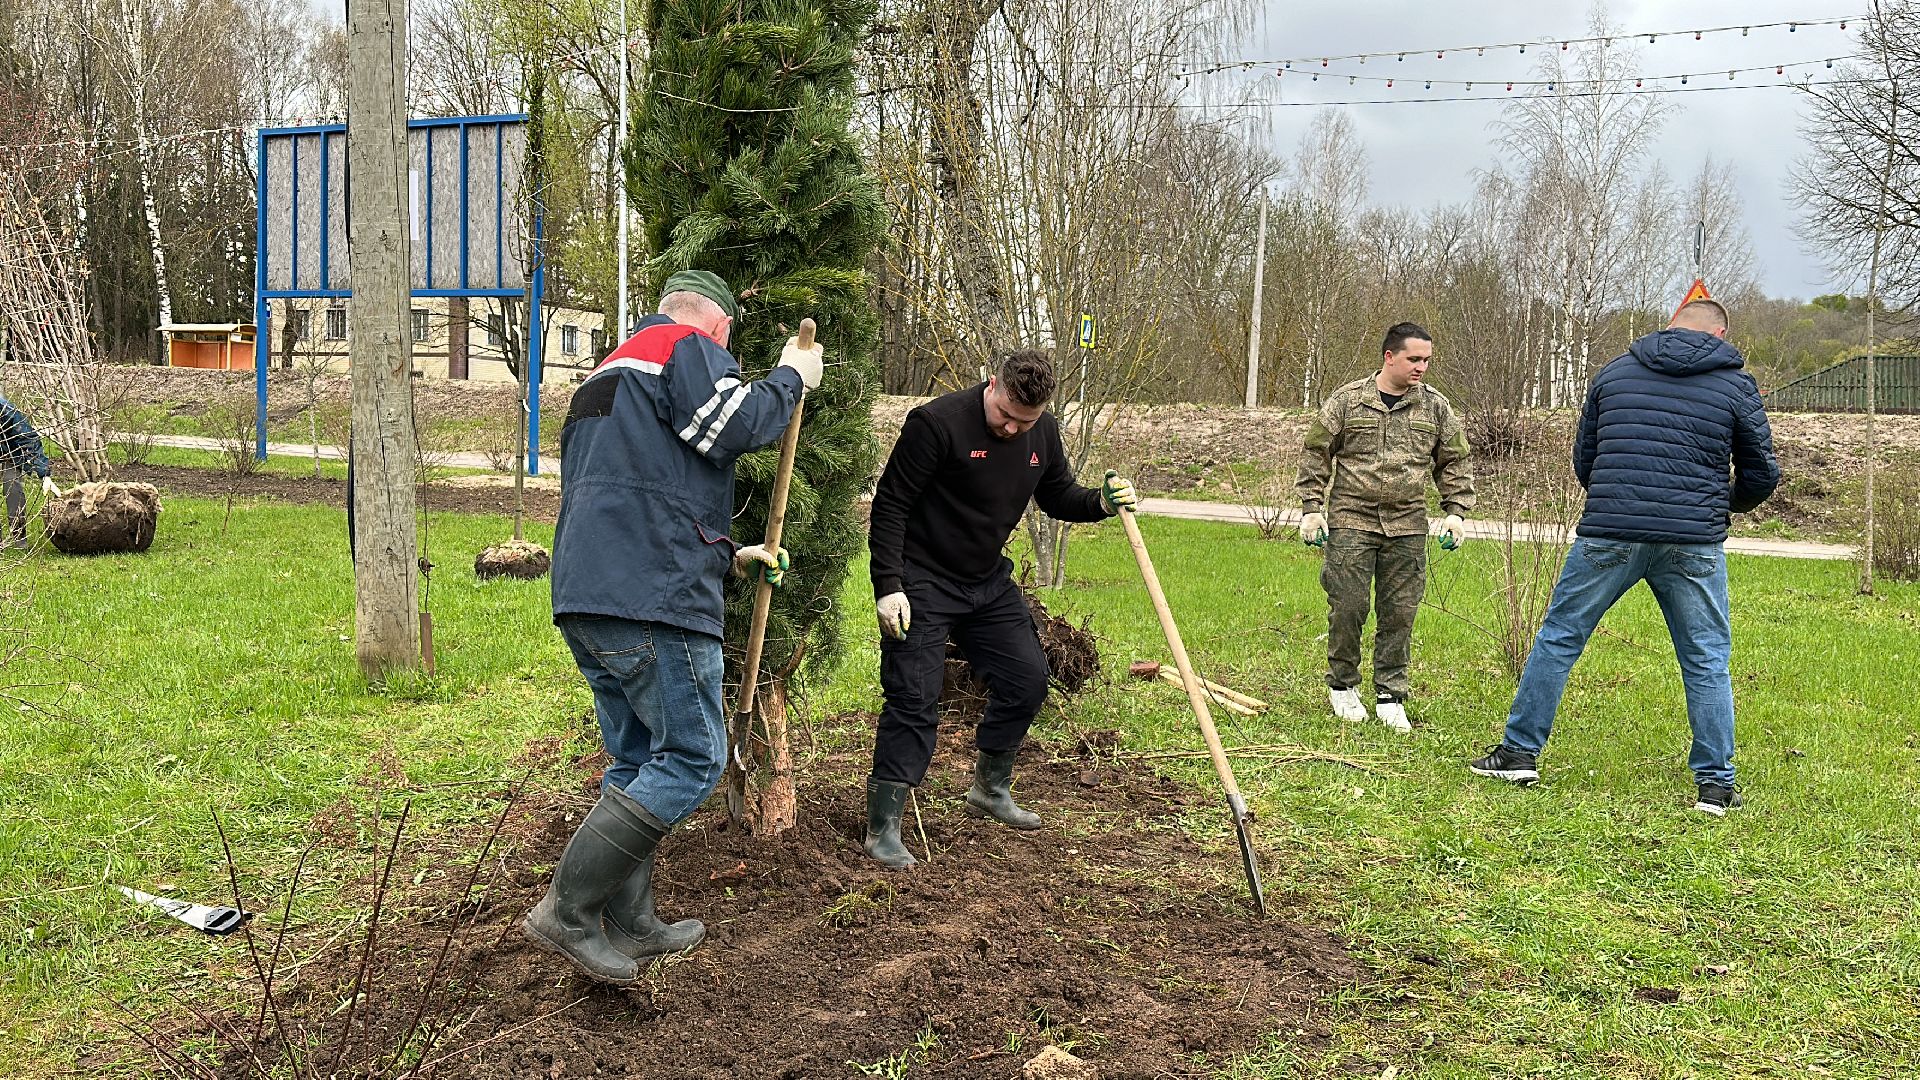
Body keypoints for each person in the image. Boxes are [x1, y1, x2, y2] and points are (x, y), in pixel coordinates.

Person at [523, 270, 823, 984]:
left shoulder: (606, 374)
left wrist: (728, 554)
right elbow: (736, 425)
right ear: (716, 325)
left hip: (589, 593)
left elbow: (635, 488)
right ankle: (566, 912)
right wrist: (789, 377)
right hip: (653, 600)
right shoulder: (684, 348)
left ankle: (630, 922)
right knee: (691, 756)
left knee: (634, 760)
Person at [1469, 299, 1778, 816]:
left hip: (1609, 531)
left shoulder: (1615, 371)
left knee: (1560, 638)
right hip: (1693, 542)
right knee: (1705, 659)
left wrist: (1616, 497)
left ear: (1670, 324)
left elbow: (1585, 458)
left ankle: (1519, 753)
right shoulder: (1734, 384)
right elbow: (1762, 474)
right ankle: (1716, 786)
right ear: (1720, 334)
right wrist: (1717, 507)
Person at [862, 349, 1137, 869]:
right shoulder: (936, 424)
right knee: (914, 695)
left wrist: (1100, 502)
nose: (1012, 428)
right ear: (992, 384)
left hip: (985, 582)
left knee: (1028, 679)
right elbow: (891, 502)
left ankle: (989, 787)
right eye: (1005, 414)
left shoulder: (1043, 432)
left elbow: (1057, 497)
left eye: (1024, 421)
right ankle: (885, 826)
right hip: (921, 580)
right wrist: (888, 585)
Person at [1295, 323, 1475, 733]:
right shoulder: (1347, 401)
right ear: (1389, 356)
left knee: (1400, 613)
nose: (1422, 367)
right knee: (1349, 606)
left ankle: (1391, 695)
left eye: (1427, 360)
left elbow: (1455, 461)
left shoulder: (1435, 408)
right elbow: (1316, 454)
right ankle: (1342, 685)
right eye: (1414, 359)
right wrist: (1311, 508)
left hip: (1408, 523)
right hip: (1352, 519)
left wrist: (1455, 511)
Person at [1, 392, 58, 550]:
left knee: (13, 490)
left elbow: (28, 439)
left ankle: (19, 537)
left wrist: (44, 474)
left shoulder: (6, 410)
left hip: (9, 455)